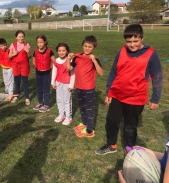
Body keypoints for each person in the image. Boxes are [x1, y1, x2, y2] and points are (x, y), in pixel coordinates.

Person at [95, 24, 163, 155]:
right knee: (112, 121)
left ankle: (129, 151)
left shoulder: (151, 54)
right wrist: (109, 91)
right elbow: (113, 72)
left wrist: (156, 98)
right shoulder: (122, 51)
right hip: (117, 94)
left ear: (142, 38)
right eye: (129, 41)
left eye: (135, 41)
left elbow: (157, 76)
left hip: (135, 98)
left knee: (130, 127)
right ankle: (112, 144)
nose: (132, 45)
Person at [67, 35, 103, 138]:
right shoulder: (78, 57)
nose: (87, 48)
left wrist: (94, 61)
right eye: (85, 46)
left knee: (89, 109)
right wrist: (68, 59)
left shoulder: (94, 59)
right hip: (79, 87)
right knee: (82, 107)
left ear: (94, 48)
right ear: (82, 45)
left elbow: (101, 73)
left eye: (90, 47)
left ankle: (89, 130)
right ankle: (84, 124)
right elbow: (68, 68)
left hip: (88, 88)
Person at [51, 43, 75, 125]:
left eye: (63, 50)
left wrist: (71, 85)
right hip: (58, 83)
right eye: (59, 51)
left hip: (67, 84)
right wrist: (53, 82)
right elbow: (54, 72)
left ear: (67, 51)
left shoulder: (70, 61)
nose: (61, 52)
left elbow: (73, 74)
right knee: (59, 99)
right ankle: (61, 114)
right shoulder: (56, 61)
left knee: (67, 100)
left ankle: (68, 117)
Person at [33, 34, 55, 112]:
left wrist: (50, 67)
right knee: (39, 89)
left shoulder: (49, 51)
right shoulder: (35, 51)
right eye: (38, 42)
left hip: (46, 74)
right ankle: (40, 103)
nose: (39, 44)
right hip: (38, 73)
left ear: (45, 42)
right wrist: (38, 66)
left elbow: (54, 61)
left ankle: (46, 105)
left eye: (41, 42)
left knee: (46, 89)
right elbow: (34, 60)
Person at [8, 30, 31, 105]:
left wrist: (27, 51)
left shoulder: (26, 45)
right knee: (17, 82)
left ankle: (27, 98)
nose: (21, 38)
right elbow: (9, 56)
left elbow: (29, 57)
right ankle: (16, 96)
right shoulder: (13, 45)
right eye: (19, 37)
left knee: (25, 82)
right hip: (16, 66)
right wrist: (14, 54)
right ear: (16, 37)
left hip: (24, 66)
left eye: (22, 37)